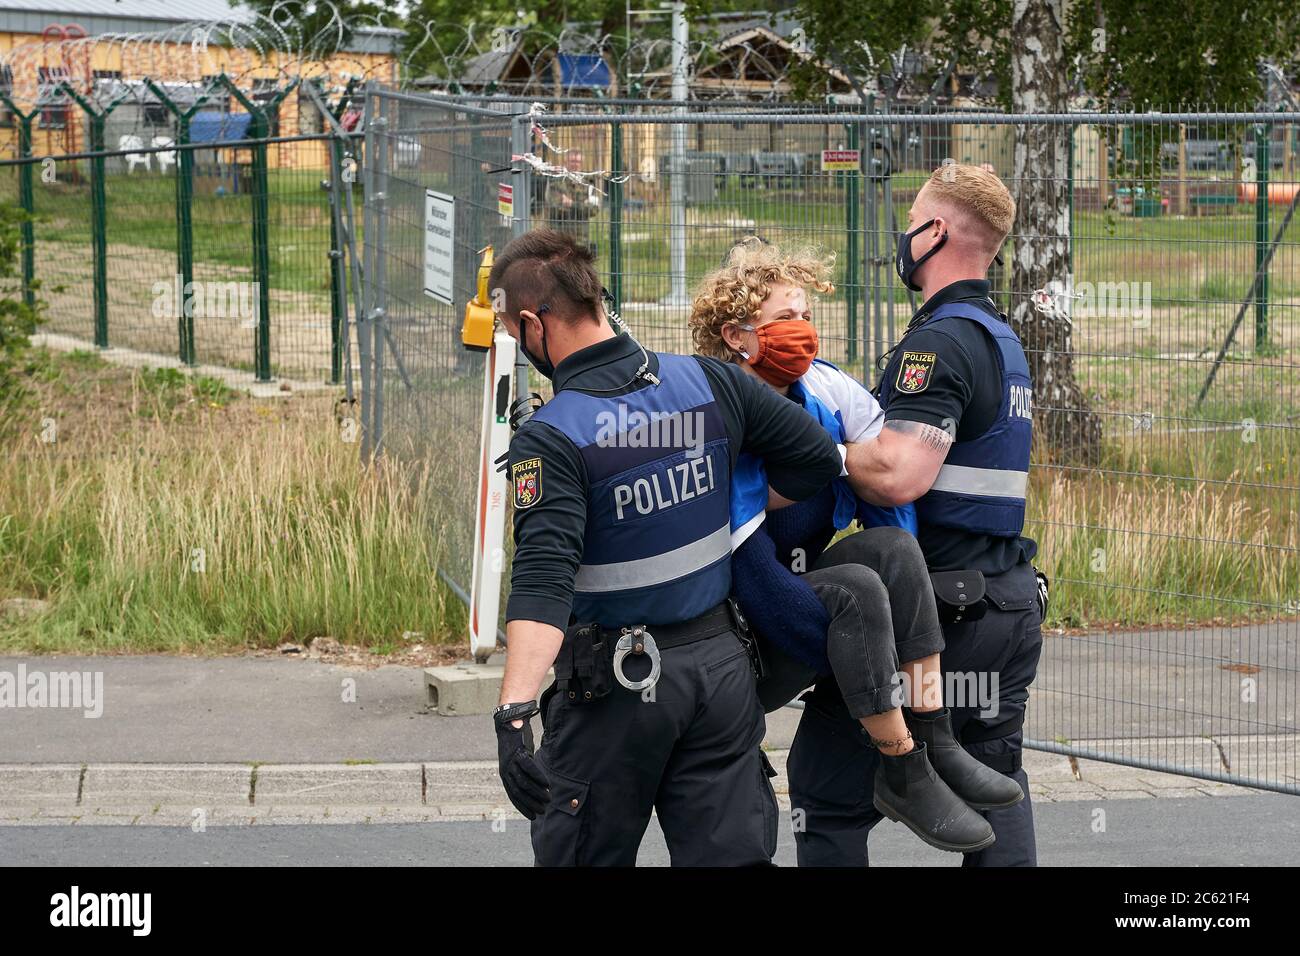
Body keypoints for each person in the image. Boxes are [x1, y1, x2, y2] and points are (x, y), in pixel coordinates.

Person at [490, 228, 844, 866]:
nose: (523, 347)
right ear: (601, 300)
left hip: (614, 688)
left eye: (518, 338)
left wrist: (514, 712)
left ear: (532, 323)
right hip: (719, 670)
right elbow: (817, 459)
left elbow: (543, 587)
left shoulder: (552, 435)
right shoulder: (709, 382)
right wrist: (735, 507)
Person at [688, 238, 1023, 855]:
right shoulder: (718, 411)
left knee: (892, 551)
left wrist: (904, 621)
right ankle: (902, 766)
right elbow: (749, 568)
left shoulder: (823, 391)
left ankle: (934, 735)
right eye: (786, 320)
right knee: (859, 590)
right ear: (738, 335)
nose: (803, 333)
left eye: (808, 317)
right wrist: (854, 650)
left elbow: (889, 501)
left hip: (805, 587)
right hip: (744, 618)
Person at [789, 162, 1046, 867]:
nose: (902, 242)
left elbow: (899, 476)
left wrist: (816, 446)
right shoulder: (1003, 340)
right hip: (1006, 606)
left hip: (933, 614)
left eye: (910, 227)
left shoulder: (937, 344)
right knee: (995, 791)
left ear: (933, 234)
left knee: (827, 794)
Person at [542, 150, 598, 250]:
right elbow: (555, 204)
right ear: (565, 162)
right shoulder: (555, 181)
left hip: (581, 238)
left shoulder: (589, 183)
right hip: (558, 235)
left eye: (578, 162)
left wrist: (571, 204)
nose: (575, 164)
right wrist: (583, 206)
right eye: (572, 161)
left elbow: (593, 210)